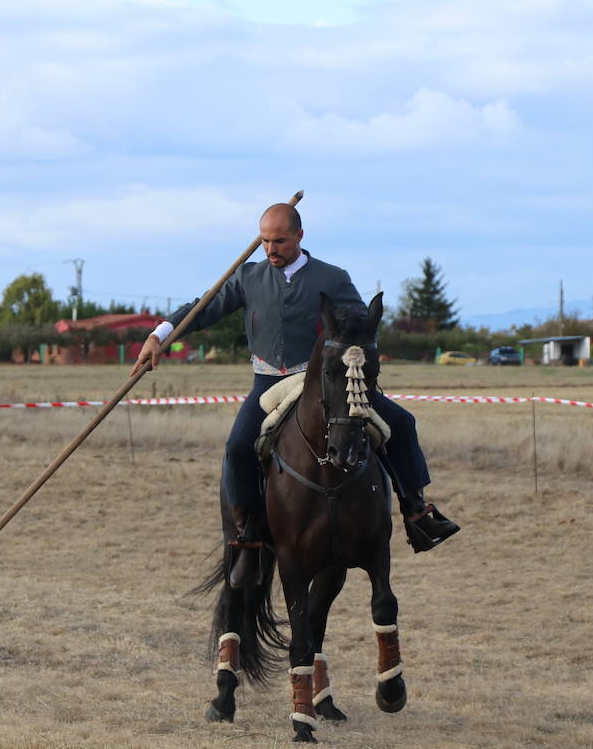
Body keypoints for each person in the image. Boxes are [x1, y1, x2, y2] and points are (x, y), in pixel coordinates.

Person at [129, 203, 459, 586]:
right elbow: (202, 309)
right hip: (268, 385)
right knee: (237, 448)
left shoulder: (333, 278)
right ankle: (246, 541)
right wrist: (159, 337)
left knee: (401, 422)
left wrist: (355, 354)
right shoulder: (247, 277)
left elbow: (362, 326)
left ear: (299, 236)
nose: (271, 249)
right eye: (265, 241)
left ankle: (417, 514)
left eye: (280, 241)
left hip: (323, 382)